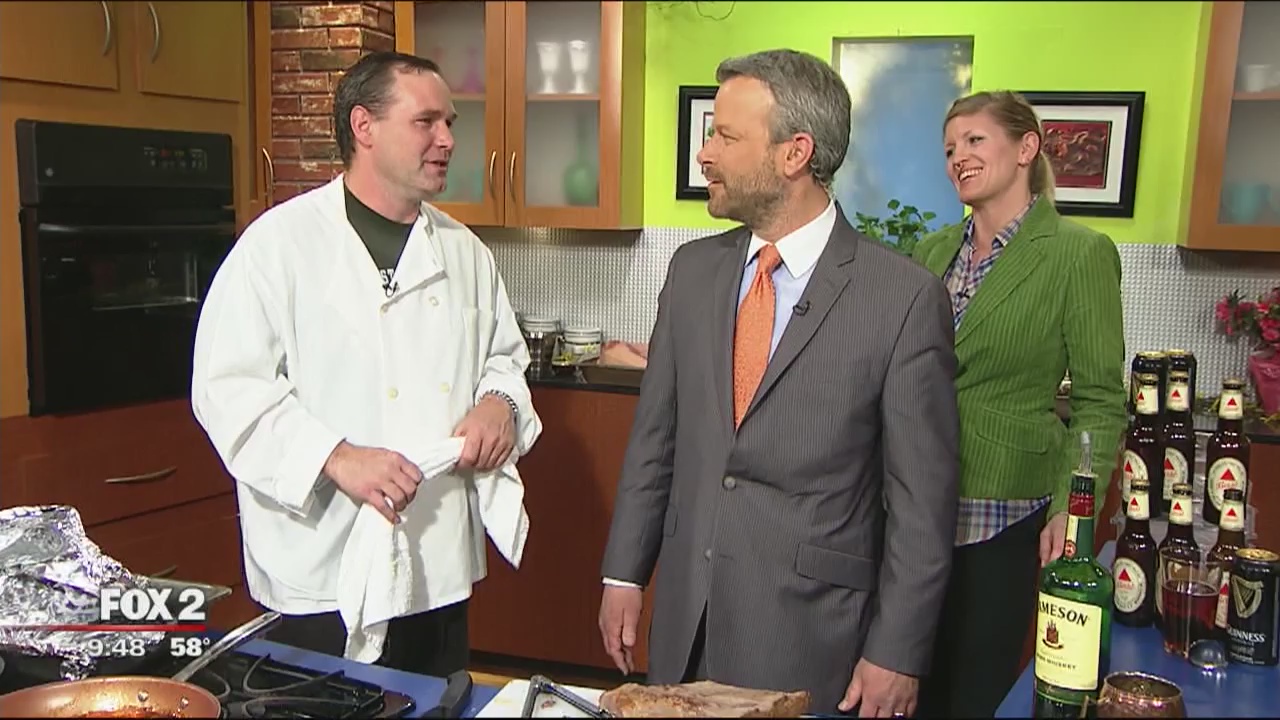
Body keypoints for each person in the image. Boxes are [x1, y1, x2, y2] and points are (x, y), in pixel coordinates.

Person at [597, 49, 961, 717]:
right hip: (685, 623)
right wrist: (624, 573)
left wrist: (899, 652)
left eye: (725, 135)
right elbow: (656, 443)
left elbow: (922, 504)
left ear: (795, 153)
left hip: (809, 639)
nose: (704, 153)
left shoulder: (903, 299)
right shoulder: (692, 273)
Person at [190, 51, 541, 677]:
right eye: (426, 122)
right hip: (323, 559)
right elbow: (228, 387)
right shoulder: (278, 247)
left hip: (435, 565)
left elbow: (503, 359)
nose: (448, 140)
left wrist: (500, 404)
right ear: (364, 127)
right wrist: (336, 456)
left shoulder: (467, 253)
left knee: (435, 704)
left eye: (451, 123)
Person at [910, 90, 1128, 717]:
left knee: (975, 697)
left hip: (1001, 512)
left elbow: (1099, 402)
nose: (958, 157)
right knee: (908, 692)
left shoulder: (1077, 253)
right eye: (950, 148)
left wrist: (1072, 508)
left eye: (975, 141)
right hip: (915, 508)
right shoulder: (931, 253)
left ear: (1026, 147)